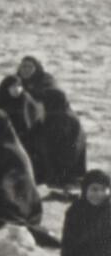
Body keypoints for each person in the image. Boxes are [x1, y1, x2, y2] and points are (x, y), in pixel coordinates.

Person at [17, 58, 88, 190]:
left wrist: (32, 97)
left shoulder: (46, 80)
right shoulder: (17, 82)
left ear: (37, 69)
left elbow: (57, 95)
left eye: (29, 67)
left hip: (62, 122)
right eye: (23, 67)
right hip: (40, 122)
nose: (25, 70)